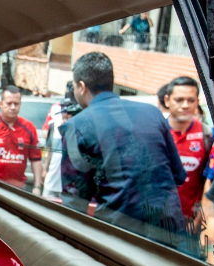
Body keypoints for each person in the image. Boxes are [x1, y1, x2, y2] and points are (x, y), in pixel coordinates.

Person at [61, 52, 189, 248]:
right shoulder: (152, 113)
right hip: (169, 231)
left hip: (122, 236)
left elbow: (75, 200)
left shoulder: (77, 126)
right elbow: (178, 175)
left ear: (81, 86)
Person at [158, 77, 213, 222]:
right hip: (156, 218)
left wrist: (200, 219)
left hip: (190, 222)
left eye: (191, 100)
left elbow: (210, 182)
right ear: (167, 100)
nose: (185, 105)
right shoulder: (155, 133)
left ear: (197, 101)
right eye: (179, 99)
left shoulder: (207, 135)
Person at [0, 85, 45, 190]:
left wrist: (37, 186)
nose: (13, 107)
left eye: (16, 104)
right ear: (1, 104)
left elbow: (36, 160)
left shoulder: (29, 128)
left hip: (19, 188)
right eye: (9, 103)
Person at [42, 82, 83, 200]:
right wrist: (44, 169)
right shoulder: (53, 125)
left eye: (69, 110)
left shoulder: (80, 129)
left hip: (69, 185)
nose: (66, 113)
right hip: (52, 179)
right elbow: (49, 148)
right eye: (64, 109)